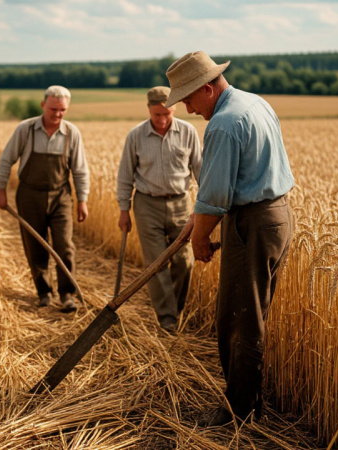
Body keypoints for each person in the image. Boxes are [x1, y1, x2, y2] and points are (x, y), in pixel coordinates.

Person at [165, 51, 295, 426]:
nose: (188, 109)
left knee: (237, 319)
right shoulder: (255, 102)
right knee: (253, 313)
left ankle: (240, 411)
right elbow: (221, 189)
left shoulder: (223, 123)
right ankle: (249, 402)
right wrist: (200, 216)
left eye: (188, 99)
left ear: (207, 88)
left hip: (250, 223)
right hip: (277, 215)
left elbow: (216, 197)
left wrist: (199, 240)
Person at [0, 86, 89, 312]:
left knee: (65, 246)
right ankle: (44, 292)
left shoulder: (71, 133)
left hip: (61, 196)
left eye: (62, 110)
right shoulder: (25, 129)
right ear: (43, 105)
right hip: (29, 195)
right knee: (35, 245)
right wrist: (0, 190)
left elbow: (80, 170)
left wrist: (82, 200)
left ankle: (67, 294)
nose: (57, 114)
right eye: (53, 109)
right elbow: (6, 160)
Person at [116, 86, 202, 332]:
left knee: (185, 262)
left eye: (167, 114)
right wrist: (124, 210)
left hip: (181, 203)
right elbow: (125, 176)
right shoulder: (136, 136)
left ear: (174, 109)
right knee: (156, 265)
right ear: (148, 111)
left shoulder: (187, 132)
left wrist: (206, 206)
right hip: (147, 205)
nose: (163, 120)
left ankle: (175, 309)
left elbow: (200, 171)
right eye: (157, 115)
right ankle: (167, 320)